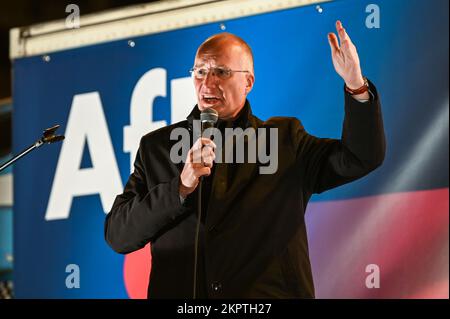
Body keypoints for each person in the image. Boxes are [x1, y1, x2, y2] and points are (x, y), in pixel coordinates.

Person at [105, 21, 386, 298]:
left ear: (248, 81)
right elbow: (119, 234)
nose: (207, 82)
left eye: (221, 72)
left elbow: (361, 157)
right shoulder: (158, 148)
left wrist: (355, 85)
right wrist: (179, 188)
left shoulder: (285, 141)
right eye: (200, 71)